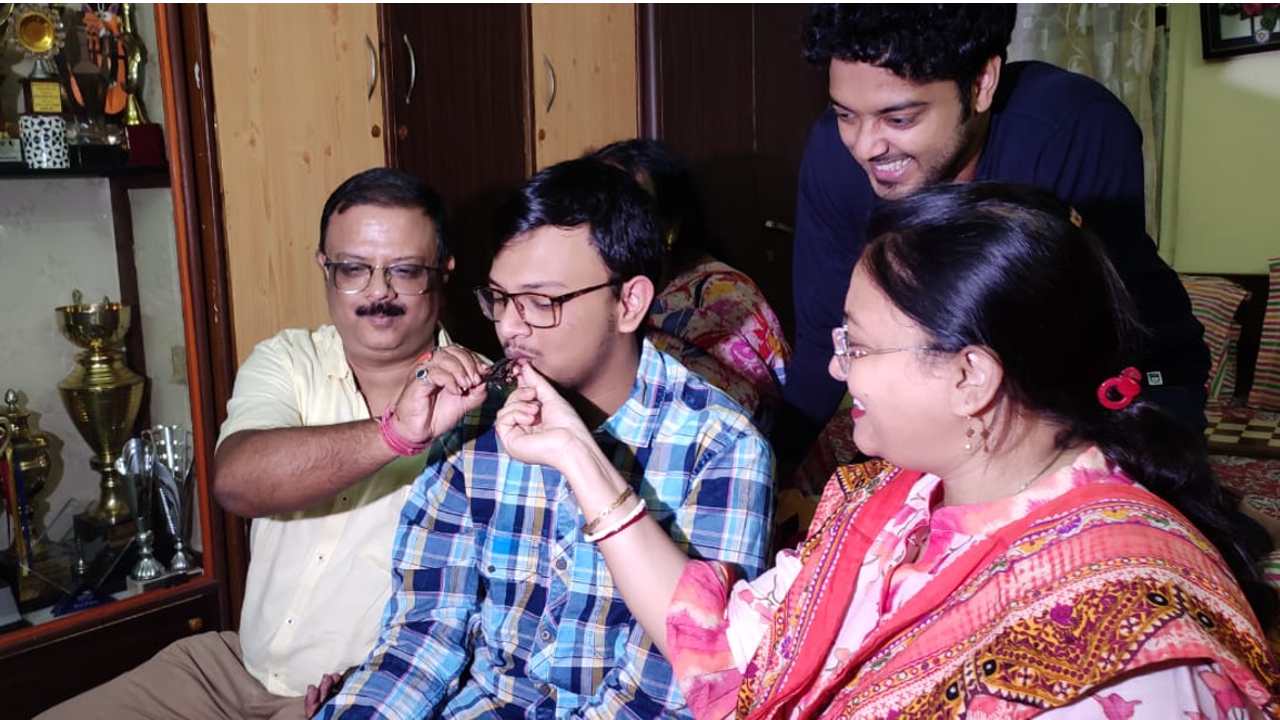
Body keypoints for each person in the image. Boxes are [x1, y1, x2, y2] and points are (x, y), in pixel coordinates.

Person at [494, 182, 1280, 717]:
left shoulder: (1126, 627)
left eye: (859, 345)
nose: (835, 367)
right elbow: (733, 648)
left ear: (971, 376)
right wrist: (575, 454)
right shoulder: (893, 503)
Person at [318, 158, 774, 718]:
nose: (509, 327)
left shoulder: (721, 447)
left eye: (541, 302)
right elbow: (420, 638)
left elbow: (665, 694)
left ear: (628, 302)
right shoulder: (476, 423)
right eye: (500, 299)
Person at [37, 168, 457, 720]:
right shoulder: (287, 359)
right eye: (353, 268)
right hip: (231, 664)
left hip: (354, 690)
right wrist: (394, 435)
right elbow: (237, 480)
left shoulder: (480, 403)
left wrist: (378, 685)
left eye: (405, 270)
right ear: (323, 267)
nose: (378, 292)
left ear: (444, 272)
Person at [781, 5, 1210, 470]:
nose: (866, 147)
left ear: (982, 83)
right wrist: (773, 461)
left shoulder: (1073, 128)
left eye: (899, 119)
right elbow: (826, 333)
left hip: (1121, 377)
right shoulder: (832, 156)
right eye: (846, 114)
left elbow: (1073, 344)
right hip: (966, 393)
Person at [592, 139, 791, 433]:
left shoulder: (719, 296)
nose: (605, 223)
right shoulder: (579, 290)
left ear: (670, 224)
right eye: (595, 204)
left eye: (629, 208)